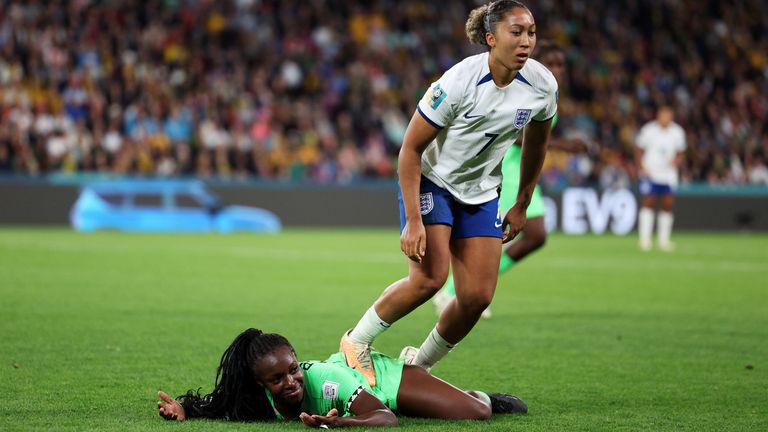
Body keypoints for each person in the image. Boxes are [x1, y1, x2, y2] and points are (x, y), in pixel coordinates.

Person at [339, 0, 557, 384]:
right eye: (516, 32)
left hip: (483, 190)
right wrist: (414, 220)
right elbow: (409, 150)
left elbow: (536, 146)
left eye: (532, 32)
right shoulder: (457, 82)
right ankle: (356, 341)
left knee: (476, 297)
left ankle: (419, 365)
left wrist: (522, 203)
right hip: (432, 181)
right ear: (491, 38)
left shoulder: (542, 86)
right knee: (429, 278)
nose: (526, 41)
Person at [433, 40, 587, 319]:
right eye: (550, 63)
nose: (556, 69)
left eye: (560, 65)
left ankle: (464, 291)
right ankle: (458, 292)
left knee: (535, 237)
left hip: (526, 175)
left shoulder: (546, 92)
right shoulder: (524, 92)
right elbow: (517, 137)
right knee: (515, 235)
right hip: (508, 170)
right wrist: (564, 146)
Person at [156, 328, 527, 428]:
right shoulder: (255, 399)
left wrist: (336, 424)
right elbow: (220, 403)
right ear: (260, 385)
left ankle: (480, 394)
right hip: (363, 394)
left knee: (476, 413)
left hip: (379, 381)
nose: (291, 382)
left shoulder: (326, 379)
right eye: (277, 379)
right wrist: (185, 410)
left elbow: (386, 418)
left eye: (293, 369)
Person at [635, 105, 686, 251]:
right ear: (658, 116)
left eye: (668, 115)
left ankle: (664, 240)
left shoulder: (677, 132)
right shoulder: (648, 130)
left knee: (667, 204)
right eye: (663, 115)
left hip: (668, 174)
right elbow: (638, 149)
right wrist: (641, 166)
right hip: (650, 172)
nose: (665, 118)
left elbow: (681, 152)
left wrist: (676, 161)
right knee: (648, 201)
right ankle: (644, 239)